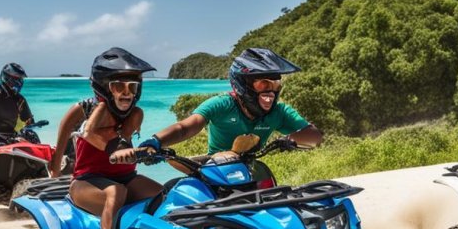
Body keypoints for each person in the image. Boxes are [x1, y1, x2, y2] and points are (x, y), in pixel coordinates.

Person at [49, 47, 162, 229]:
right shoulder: (87, 110)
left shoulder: (136, 113)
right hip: (86, 182)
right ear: (103, 87)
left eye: (132, 87)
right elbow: (66, 135)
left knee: (164, 195)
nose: (126, 93)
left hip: (126, 177)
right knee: (116, 193)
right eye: (119, 86)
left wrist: (145, 151)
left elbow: (121, 142)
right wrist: (55, 167)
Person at [138, 47, 322, 183]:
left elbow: (314, 136)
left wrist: (290, 139)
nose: (271, 92)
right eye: (264, 84)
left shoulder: (279, 111)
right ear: (243, 83)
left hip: (251, 170)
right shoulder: (222, 104)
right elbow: (185, 127)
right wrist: (156, 141)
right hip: (214, 171)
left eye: (276, 85)